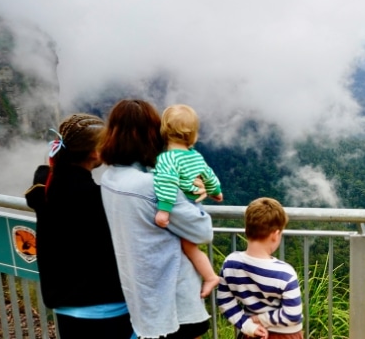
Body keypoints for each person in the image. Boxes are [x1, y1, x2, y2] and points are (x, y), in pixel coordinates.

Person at [98, 99, 213, 339]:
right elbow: (202, 231)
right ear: (150, 134)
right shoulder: (151, 186)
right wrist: (194, 195)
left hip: (142, 300)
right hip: (175, 303)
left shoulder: (109, 178)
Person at [24, 114, 133, 338]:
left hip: (66, 307)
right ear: (94, 153)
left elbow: (46, 171)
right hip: (105, 307)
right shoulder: (98, 198)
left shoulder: (44, 188)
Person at [153, 104, 223, 297]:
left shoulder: (167, 159)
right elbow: (208, 175)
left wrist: (164, 210)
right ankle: (209, 276)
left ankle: (210, 277)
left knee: (188, 246)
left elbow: (167, 183)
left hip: (183, 208)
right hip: (196, 204)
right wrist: (215, 191)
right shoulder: (195, 156)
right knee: (190, 247)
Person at [217, 197, 304, 339]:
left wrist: (247, 324)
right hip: (286, 335)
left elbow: (224, 301)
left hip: (253, 334)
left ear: (246, 230)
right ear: (276, 235)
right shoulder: (285, 273)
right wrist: (259, 319)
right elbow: (292, 315)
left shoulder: (231, 263)